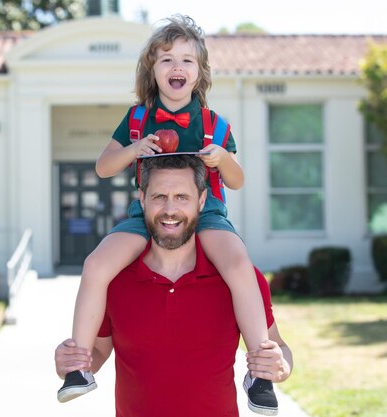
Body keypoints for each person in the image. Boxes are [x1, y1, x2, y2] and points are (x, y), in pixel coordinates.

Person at [58, 14, 278, 415]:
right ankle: (77, 369)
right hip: (143, 212)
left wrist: (223, 158)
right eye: (166, 59)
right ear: (152, 70)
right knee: (95, 264)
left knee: (238, 264)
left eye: (187, 60)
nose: (177, 67)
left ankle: (260, 374)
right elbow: (104, 167)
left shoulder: (215, 123)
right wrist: (133, 149)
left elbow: (238, 181)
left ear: (199, 72)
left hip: (207, 209)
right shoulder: (138, 118)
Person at [55, 155, 293, 417]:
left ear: (202, 201)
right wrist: (72, 361)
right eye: (159, 197)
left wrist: (280, 366)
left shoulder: (240, 279)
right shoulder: (114, 280)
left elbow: (278, 347)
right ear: (142, 198)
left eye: (182, 197)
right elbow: (99, 350)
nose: (170, 210)